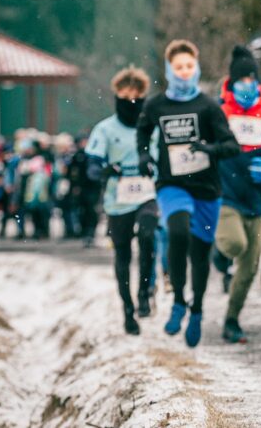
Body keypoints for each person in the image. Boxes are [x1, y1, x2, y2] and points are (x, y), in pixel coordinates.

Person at [137, 40, 240, 347]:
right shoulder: (156, 105)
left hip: (206, 189)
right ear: (170, 70)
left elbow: (231, 146)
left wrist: (210, 148)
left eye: (189, 67)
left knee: (200, 254)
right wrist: (144, 155)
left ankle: (196, 309)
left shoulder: (208, 106)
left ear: (196, 68)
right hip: (172, 185)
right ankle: (179, 300)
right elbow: (143, 130)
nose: (184, 72)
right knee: (178, 231)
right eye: (178, 67)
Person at [86, 66, 159, 335]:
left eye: (136, 97)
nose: (130, 103)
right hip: (118, 197)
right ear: (116, 96)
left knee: (148, 234)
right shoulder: (105, 129)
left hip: (147, 192)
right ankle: (127, 310)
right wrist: (104, 170)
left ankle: (144, 292)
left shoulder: (152, 127)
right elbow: (92, 165)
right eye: (124, 97)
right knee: (122, 255)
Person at [214, 46, 261, 344]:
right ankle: (220, 254)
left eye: (251, 78)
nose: (246, 84)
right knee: (235, 243)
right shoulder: (219, 112)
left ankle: (232, 319)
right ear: (231, 81)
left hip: (256, 202)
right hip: (225, 196)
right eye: (240, 79)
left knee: (250, 268)